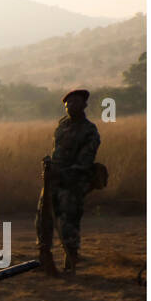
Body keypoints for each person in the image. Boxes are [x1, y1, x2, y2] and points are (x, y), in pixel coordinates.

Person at [36, 89, 101, 275]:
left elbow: (85, 161)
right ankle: (44, 262)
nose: (71, 106)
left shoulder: (89, 130)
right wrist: (50, 166)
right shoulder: (62, 125)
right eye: (68, 103)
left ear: (84, 105)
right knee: (43, 219)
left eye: (76, 103)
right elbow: (57, 151)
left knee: (68, 222)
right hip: (53, 180)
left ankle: (70, 263)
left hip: (73, 182)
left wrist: (63, 173)